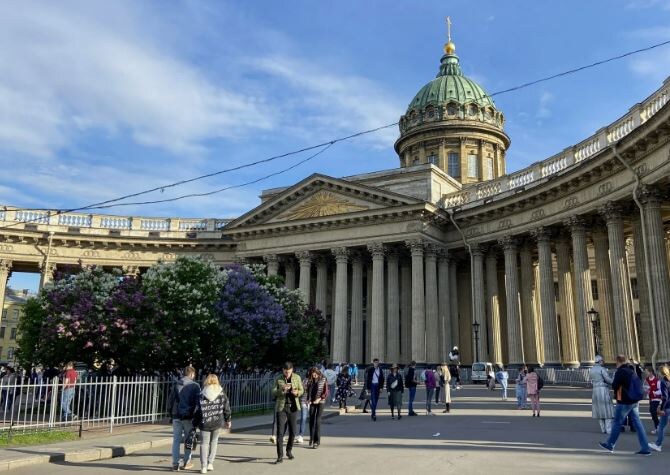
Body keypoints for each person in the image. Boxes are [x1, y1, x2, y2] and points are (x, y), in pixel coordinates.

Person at [598, 354, 651, 455]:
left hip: (624, 401)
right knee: (638, 424)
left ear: (618, 361)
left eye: (616, 362)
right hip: (634, 401)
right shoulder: (631, 370)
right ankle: (645, 448)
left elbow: (614, 385)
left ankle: (610, 444)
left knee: (617, 422)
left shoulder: (620, 371)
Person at [193, 374, 231, 474]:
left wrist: (194, 423)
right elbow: (226, 407)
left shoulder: (202, 393)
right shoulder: (221, 393)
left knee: (204, 444)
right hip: (217, 421)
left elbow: (198, 410)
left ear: (207, 381)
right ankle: (210, 463)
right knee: (214, 442)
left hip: (204, 422)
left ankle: (203, 466)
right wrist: (228, 420)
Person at [170, 366, 200, 472]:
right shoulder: (195, 386)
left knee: (176, 440)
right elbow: (198, 403)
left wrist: (170, 413)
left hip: (176, 415)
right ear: (192, 374)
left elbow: (171, 399)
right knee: (188, 439)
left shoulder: (177, 383)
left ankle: (175, 463)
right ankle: (187, 461)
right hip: (188, 416)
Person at [272, 362, 304, 464]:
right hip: (281, 407)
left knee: (293, 432)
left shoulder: (297, 377)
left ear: (292, 370)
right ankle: (279, 456)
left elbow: (302, 390)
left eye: (289, 372)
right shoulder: (279, 378)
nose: (287, 374)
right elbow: (273, 391)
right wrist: (282, 390)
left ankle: (288, 450)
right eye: (285, 372)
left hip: (293, 407)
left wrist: (297, 393)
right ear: (283, 370)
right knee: (280, 432)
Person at [304, 367, 328, 449]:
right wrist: (309, 400)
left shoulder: (323, 379)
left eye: (314, 373)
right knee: (311, 420)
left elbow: (325, 391)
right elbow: (308, 392)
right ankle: (312, 439)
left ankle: (317, 441)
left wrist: (320, 398)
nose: (313, 375)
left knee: (317, 420)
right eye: (312, 373)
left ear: (317, 372)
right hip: (312, 402)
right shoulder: (310, 380)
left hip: (320, 401)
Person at [648, 365, 670, 452]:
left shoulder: (663, 382)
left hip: (667, 407)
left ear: (660, 373)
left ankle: (658, 445)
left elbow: (665, 397)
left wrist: (661, 408)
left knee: (661, 426)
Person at [590, 355, 614, 434]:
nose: (603, 362)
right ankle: (608, 429)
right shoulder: (602, 369)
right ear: (600, 361)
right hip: (603, 390)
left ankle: (603, 429)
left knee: (599, 409)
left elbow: (591, 381)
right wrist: (614, 378)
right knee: (607, 409)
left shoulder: (591, 370)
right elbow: (608, 380)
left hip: (595, 390)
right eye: (602, 361)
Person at [645, 367, 662, 435]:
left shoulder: (657, 380)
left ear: (651, 372)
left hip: (656, 399)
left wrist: (655, 393)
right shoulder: (646, 380)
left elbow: (661, 390)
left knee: (653, 411)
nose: (646, 373)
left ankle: (658, 427)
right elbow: (645, 387)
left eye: (647, 372)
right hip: (651, 399)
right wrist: (646, 391)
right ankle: (658, 427)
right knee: (653, 412)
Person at [296, 372, 309, 444]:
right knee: (303, 418)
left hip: (312, 402)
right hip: (304, 401)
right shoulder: (305, 381)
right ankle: (301, 435)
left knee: (311, 419)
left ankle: (312, 436)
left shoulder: (316, 380)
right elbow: (302, 391)